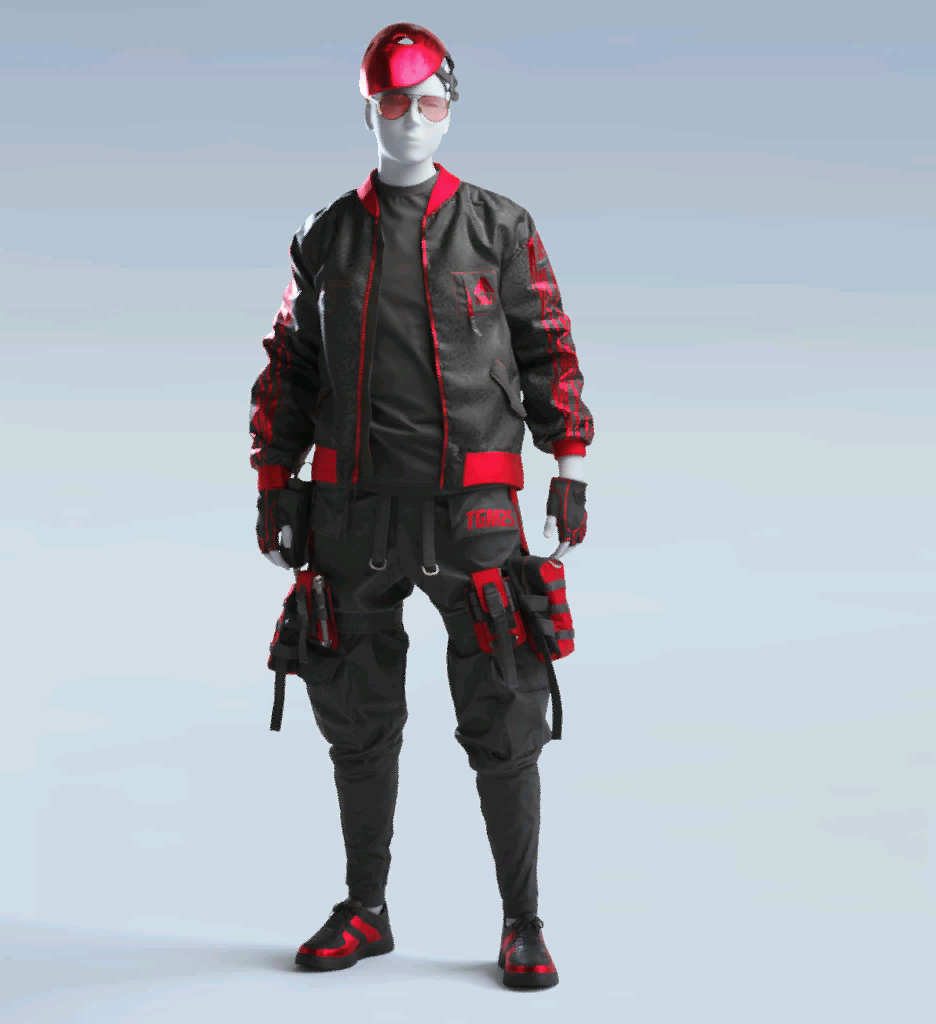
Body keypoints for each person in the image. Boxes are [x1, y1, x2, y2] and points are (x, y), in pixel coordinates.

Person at [250, 22, 592, 991]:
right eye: (392, 102)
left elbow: (548, 347)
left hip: (472, 510)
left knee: (505, 713)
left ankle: (522, 922)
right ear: (367, 108)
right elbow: (289, 365)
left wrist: (569, 464)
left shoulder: (499, 227)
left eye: (427, 101)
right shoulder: (324, 236)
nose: (410, 119)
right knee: (355, 716)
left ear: (451, 108)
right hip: (350, 511)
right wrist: (273, 484)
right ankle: (365, 908)